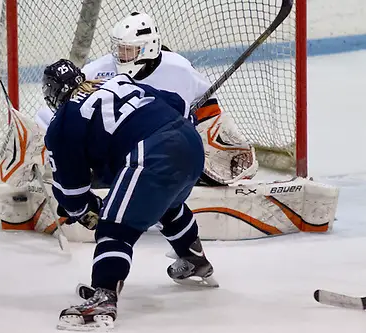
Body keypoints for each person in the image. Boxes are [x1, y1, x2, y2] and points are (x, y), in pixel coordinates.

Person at [42, 59, 216, 330]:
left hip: (153, 151)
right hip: (190, 143)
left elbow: (72, 192)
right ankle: (193, 258)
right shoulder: (117, 82)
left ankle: (104, 296)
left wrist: (84, 210)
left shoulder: (63, 121)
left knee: (115, 226)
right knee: (164, 205)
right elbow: (178, 103)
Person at [35, 12, 258, 186]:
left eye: (128, 50)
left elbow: (208, 111)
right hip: (120, 151)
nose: (121, 56)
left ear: (149, 47)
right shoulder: (99, 69)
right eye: (119, 49)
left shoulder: (179, 69)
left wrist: (210, 144)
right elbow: (70, 109)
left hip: (165, 147)